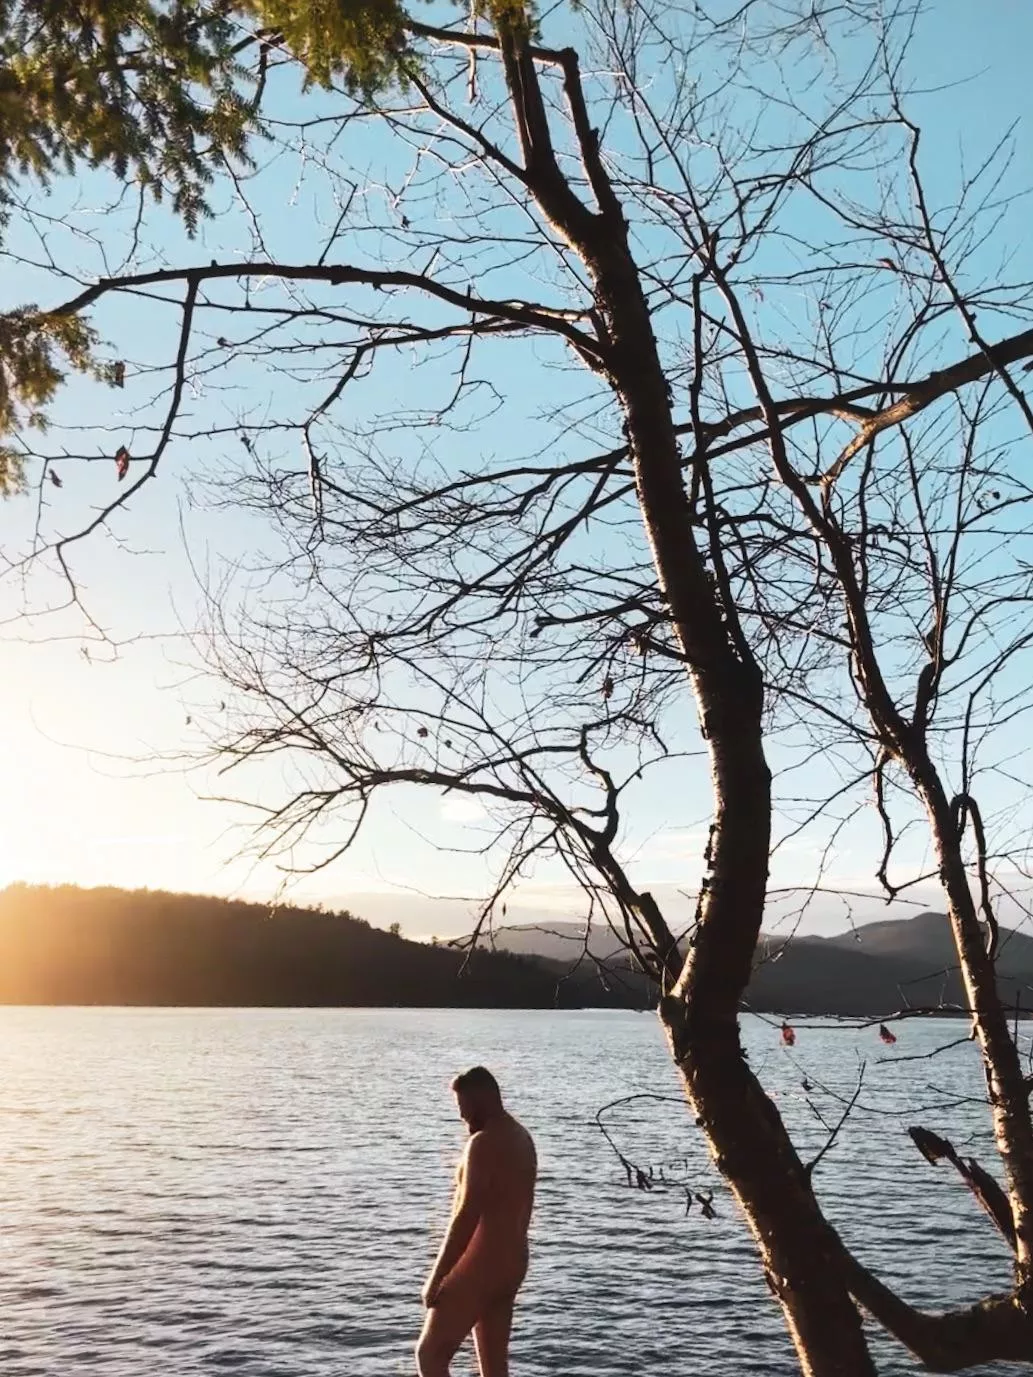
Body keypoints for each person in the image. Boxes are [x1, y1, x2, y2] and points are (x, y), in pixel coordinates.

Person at [416, 1066, 537, 1377]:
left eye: (464, 1107)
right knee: (494, 1366)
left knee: (430, 1355)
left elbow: (466, 1214)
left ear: (483, 1098)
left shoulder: (482, 1143)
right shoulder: (522, 1137)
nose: (462, 1117)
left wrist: (437, 1277)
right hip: (513, 1265)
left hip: (481, 1263)